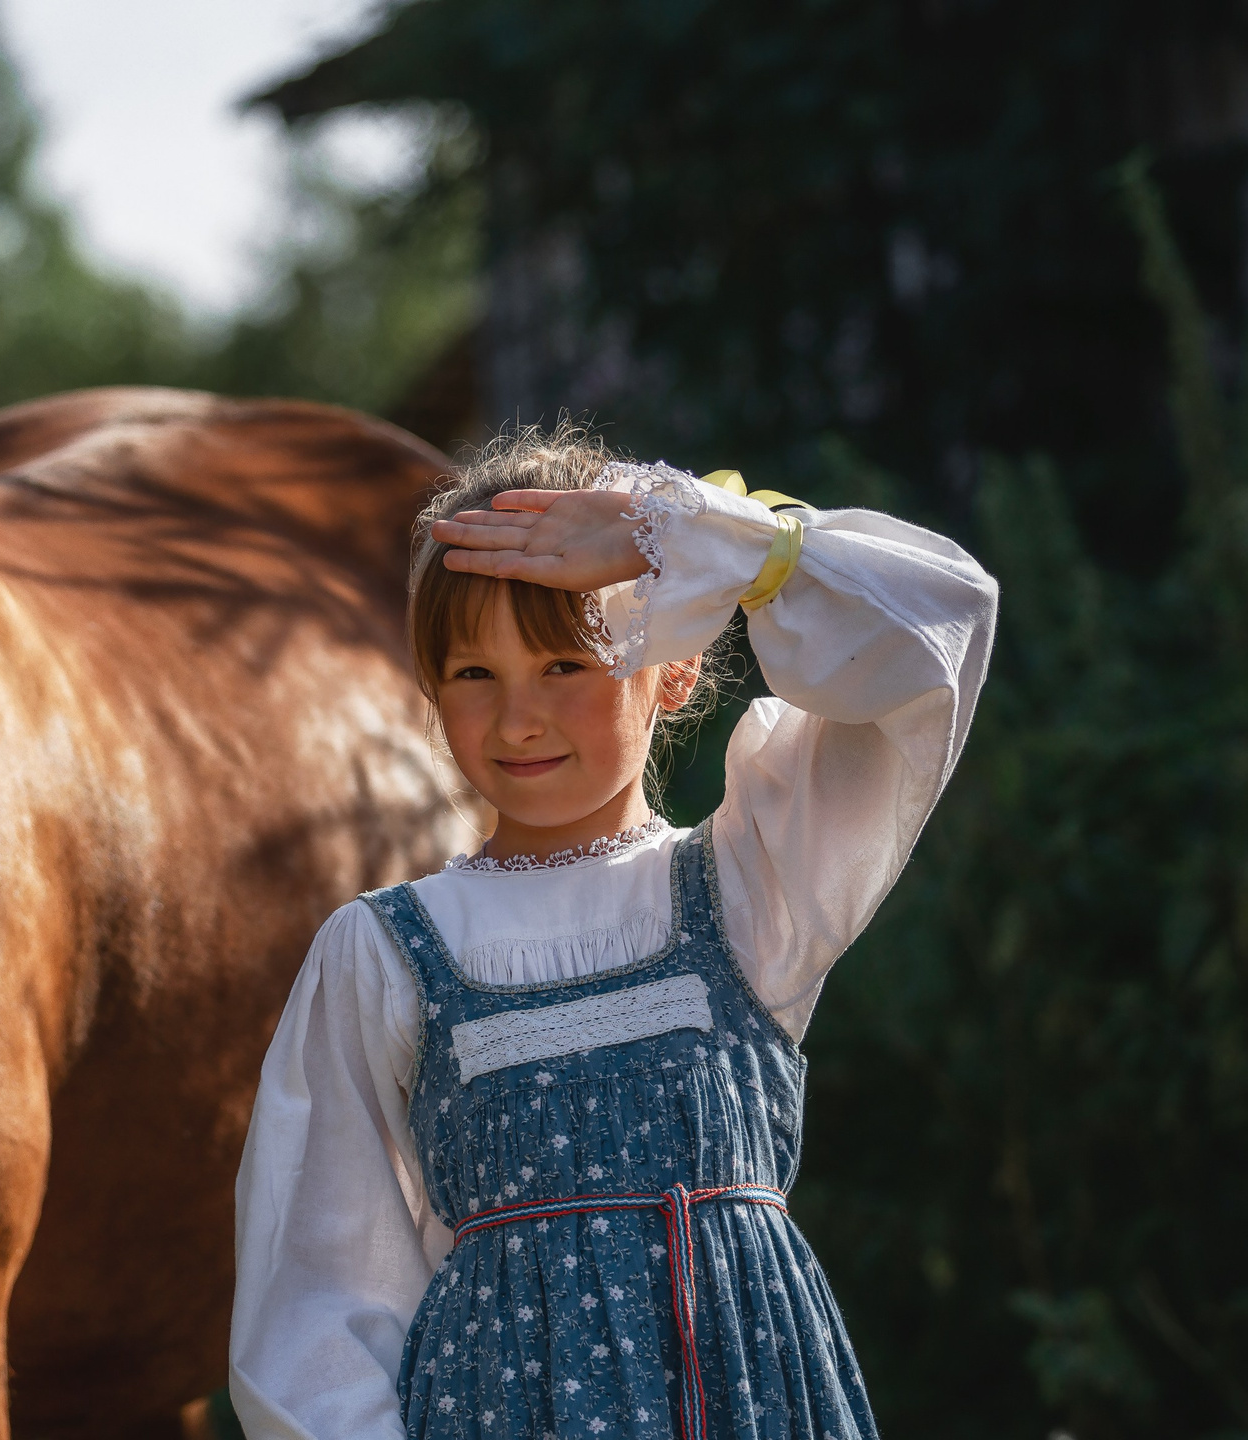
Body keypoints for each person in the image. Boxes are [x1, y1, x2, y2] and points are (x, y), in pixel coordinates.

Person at [229, 425, 998, 1440]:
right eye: (473, 674)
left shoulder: (753, 883)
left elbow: (942, 620)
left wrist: (682, 538)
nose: (518, 720)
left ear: (671, 670)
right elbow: (315, 1307)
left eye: (564, 663)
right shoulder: (382, 951)